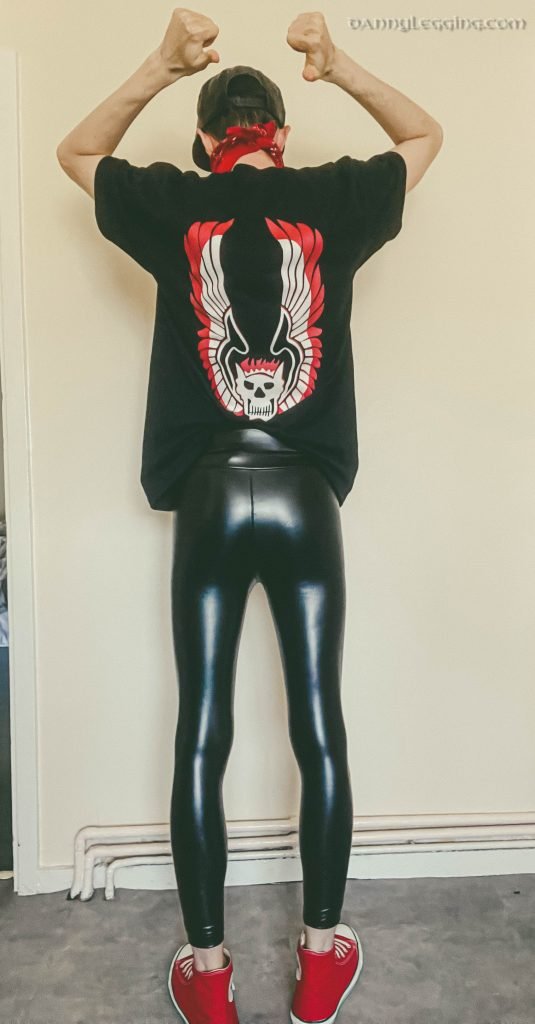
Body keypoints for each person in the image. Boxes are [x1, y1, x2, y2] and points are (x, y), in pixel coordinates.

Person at [57, 8, 443, 1024]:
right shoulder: (337, 197)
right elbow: (424, 134)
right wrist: (337, 64)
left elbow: (77, 153)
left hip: (209, 498)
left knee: (201, 729)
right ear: (281, 133)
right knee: (320, 727)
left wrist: (159, 63)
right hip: (305, 495)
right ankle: (318, 962)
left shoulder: (172, 203)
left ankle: (209, 970)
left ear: (204, 141)